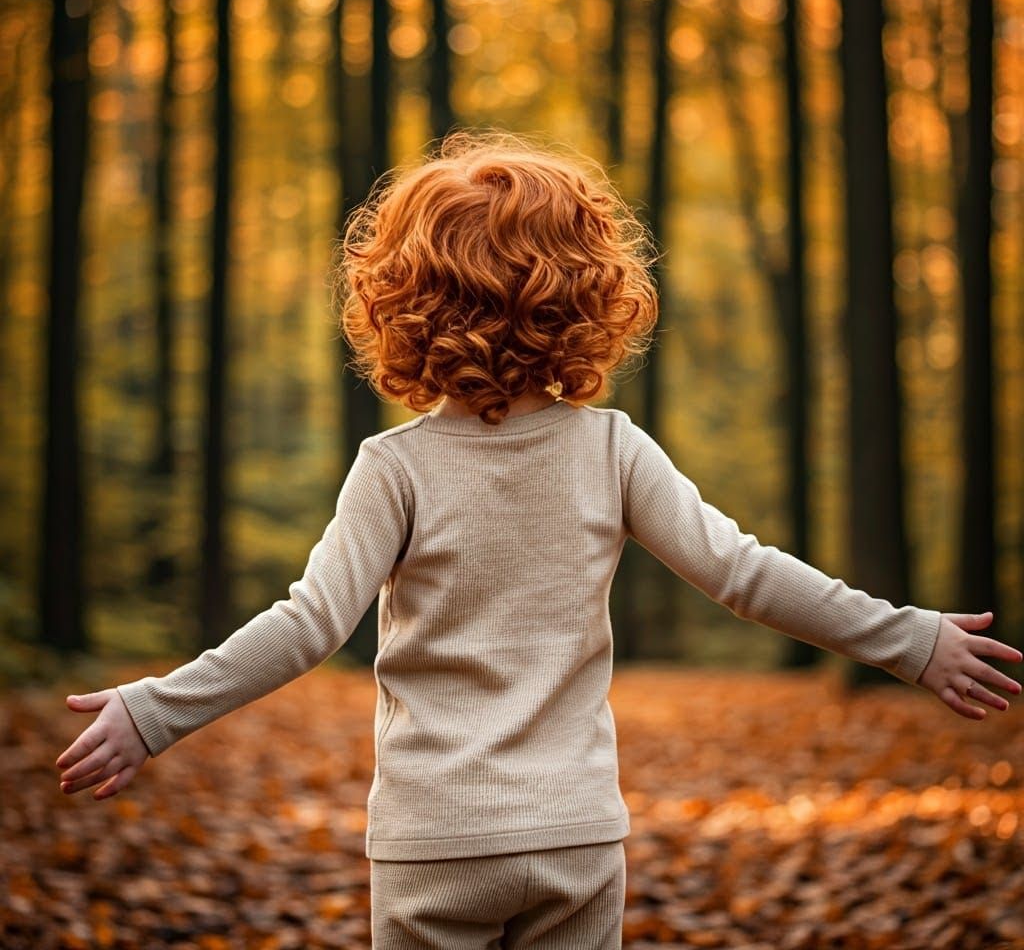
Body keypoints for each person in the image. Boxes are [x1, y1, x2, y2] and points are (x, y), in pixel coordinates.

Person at [55, 130, 1022, 949]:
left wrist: (156, 711)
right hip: (574, 839)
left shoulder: (393, 466)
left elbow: (309, 625)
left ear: (401, 301)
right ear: (589, 296)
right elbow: (742, 573)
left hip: (434, 842)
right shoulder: (610, 447)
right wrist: (911, 638)